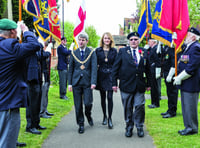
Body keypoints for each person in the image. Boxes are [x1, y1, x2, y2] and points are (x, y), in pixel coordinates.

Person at [0, 18, 40, 147]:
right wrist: (26, 31)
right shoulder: (10, 47)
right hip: (8, 103)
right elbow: (35, 45)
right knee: (7, 142)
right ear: (12, 31)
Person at [112, 32, 151, 138]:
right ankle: (129, 127)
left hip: (139, 85)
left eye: (136, 39)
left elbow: (148, 69)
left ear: (139, 40)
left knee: (139, 106)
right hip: (126, 85)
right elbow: (115, 68)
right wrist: (114, 83)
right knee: (127, 107)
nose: (134, 41)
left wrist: (149, 83)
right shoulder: (123, 51)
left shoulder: (144, 51)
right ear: (128, 41)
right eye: (132, 39)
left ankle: (139, 126)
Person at [68, 32, 97, 134]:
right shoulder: (73, 53)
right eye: (79, 39)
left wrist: (93, 82)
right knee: (78, 105)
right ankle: (81, 123)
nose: (81, 41)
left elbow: (94, 68)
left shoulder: (91, 52)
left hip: (88, 82)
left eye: (83, 40)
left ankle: (88, 114)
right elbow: (70, 69)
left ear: (86, 41)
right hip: (76, 82)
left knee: (88, 103)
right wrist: (69, 84)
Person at [173, 27, 200, 136]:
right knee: (185, 106)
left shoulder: (196, 47)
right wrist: (174, 42)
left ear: (193, 37)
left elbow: (191, 67)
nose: (185, 36)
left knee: (190, 106)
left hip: (191, 83)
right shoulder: (188, 47)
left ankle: (192, 128)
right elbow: (181, 59)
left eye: (187, 34)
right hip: (186, 82)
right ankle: (188, 126)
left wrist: (180, 77)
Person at [95, 32, 117, 129]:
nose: (106, 40)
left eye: (108, 38)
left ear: (111, 40)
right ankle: (104, 116)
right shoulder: (98, 50)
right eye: (105, 38)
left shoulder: (114, 51)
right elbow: (94, 64)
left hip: (111, 75)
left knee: (110, 97)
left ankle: (110, 118)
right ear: (102, 40)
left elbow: (117, 65)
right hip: (101, 75)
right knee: (103, 97)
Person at [25, 38, 47, 135]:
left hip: (38, 78)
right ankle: (30, 126)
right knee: (31, 104)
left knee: (37, 103)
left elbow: (40, 56)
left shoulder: (36, 47)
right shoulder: (28, 47)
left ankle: (36, 123)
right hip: (31, 79)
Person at [160, 45, 178, 118]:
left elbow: (174, 63)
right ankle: (169, 109)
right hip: (166, 72)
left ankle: (172, 111)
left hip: (171, 73)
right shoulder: (167, 48)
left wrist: (171, 74)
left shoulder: (173, 49)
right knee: (169, 92)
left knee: (172, 93)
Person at [39, 41, 54, 118]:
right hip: (42, 74)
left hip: (46, 74)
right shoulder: (40, 50)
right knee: (43, 93)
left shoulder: (44, 50)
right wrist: (48, 49)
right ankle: (41, 111)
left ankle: (45, 109)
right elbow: (44, 56)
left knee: (46, 93)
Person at [146, 36, 161, 108]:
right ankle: (153, 102)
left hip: (154, 70)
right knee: (153, 87)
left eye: (150, 41)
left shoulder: (157, 48)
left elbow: (158, 60)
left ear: (154, 42)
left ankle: (156, 103)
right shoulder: (152, 48)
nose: (149, 43)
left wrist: (158, 71)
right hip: (151, 70)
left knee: (155, 87)